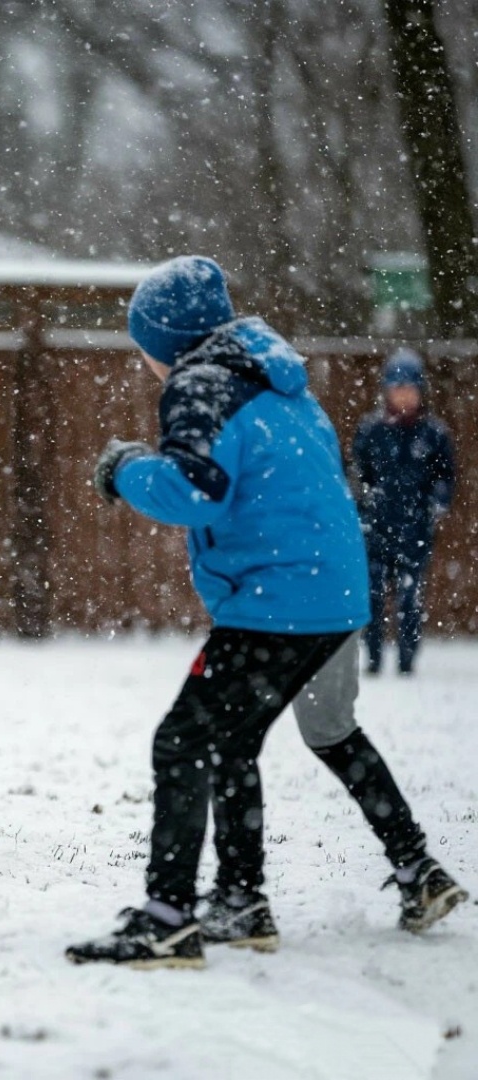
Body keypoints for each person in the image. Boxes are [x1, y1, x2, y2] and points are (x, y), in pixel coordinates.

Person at [66, 256, 468, 970]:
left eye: (143, 346)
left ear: (164, 340)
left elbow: (195, 492)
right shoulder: (284, 387)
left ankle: (167, 920)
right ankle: (256, 899)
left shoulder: (200, 383)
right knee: (255, 737)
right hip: (337, 596)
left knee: (182, 742)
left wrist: (125, 470)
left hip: (276, 604)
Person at [351, 348, 455, 675]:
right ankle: (373, 657)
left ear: (421, 391)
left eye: (410, 388)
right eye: (397, 388)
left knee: (410, 598)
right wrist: (364, 500)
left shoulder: (434, 434)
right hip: (376, 528)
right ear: (386, 391)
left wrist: (437, 500)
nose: (404, 395)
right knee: (373, 595)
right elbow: (357, 473)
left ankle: (407, 660)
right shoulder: (371, 430)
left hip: (415, 530)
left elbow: (445, 476)